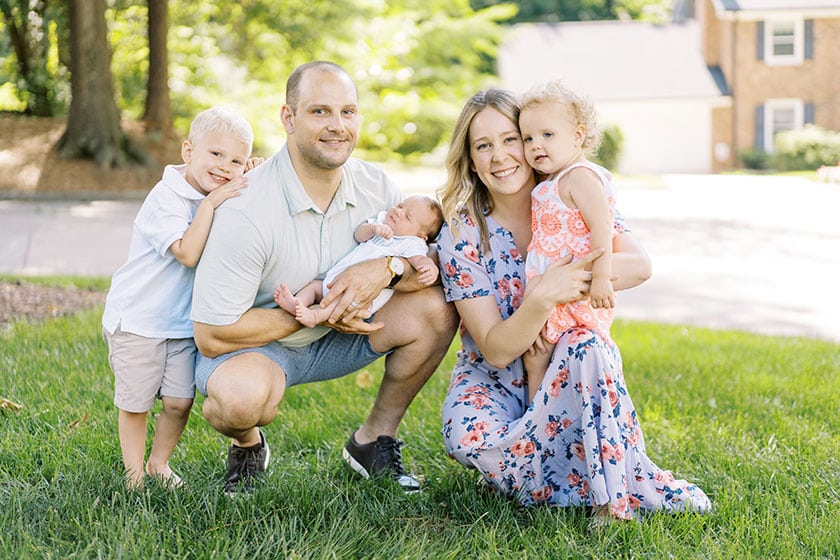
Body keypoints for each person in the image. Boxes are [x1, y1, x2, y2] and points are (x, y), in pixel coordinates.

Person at [436, 88, 711, 527]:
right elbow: (496, 349)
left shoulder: (570, 197)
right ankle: (567, 470)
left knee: (588, 347)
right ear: (470, 159)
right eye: (483, 146)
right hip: (495, 378)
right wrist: (543, 295)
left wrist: (567, 284)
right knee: (465, 436)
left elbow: (638, 264)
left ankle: (590, 487)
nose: (501, 156)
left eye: (512, 139)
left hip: (569, 369)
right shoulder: (462, 234)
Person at [190, 61, 458, 496]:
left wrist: (386, 269)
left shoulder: (378, 187)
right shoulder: (246, 209)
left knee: (439, 309)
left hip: (345, 335)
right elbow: (211, 333)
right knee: (239, 401)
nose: (338, 126)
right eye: (320, 112)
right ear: (288, 118)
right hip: (257, 345)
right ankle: (248, 443)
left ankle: (372, 441)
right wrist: (315, 313)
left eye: (348, 112)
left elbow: (423, 263)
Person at [102, 106, 263, 489]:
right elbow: (188, 253)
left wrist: (257, 177)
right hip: (139, 320)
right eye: (216, 154)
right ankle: (133, 474)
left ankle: (159, 463)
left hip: (180, 323)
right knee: (137, 402)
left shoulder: (218, 192)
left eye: (237, 160)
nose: (225, 166)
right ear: (188, 151)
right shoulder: (168, 198)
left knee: (178, 402)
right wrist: (211, 203)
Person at [518, 80, 619, 403]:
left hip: (572, 292)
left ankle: (547, 418)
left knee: (551, 356)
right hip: (549, 289)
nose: (536, 145)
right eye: (528, 138)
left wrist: (602, 278)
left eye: (548, 135)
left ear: (577, 135)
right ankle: (538, 418)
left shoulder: (580, 177)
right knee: (536, 356)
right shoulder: (555, 179)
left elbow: (603, 229)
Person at [273, 195, 443, 327]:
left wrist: (430, 268)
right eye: (400, 206)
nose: (398, 212)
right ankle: (297, 304)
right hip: (336, 279)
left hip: (361, 295)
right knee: (314, 286)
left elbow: (420, 260)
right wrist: (372, 228)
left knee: (340, 302)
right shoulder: (382, 220)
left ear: (421, 236)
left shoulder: (411, 243)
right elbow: (359, 235)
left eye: (407, 217)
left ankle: (315, 317)